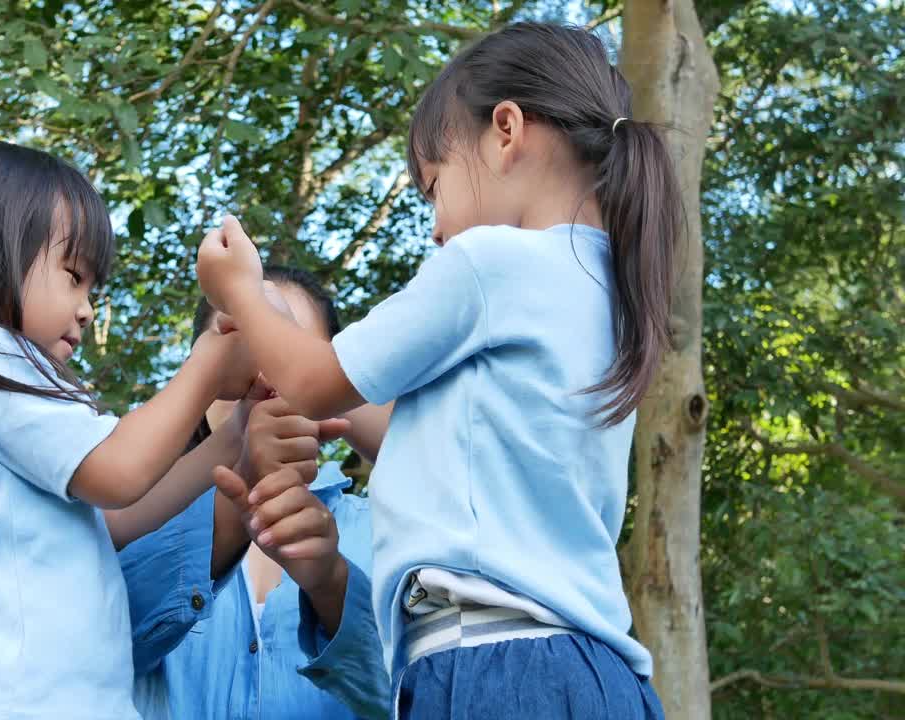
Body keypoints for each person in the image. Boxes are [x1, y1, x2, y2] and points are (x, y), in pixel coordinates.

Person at [196, 22, 678, 719]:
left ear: (506, 130)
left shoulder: (493, 264)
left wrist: (239, 290)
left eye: (434, 186)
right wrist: (325, 397)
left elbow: (314, 379)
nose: (435, 228)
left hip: (495, 668)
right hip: (589, 675)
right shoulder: (607, 295)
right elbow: (460, 450)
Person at [0, 139, 258, 720]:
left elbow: (114, 516)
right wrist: (211, 357)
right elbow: (120, 470)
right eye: (73, 277)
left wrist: (232, 437)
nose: (87, 309)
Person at [122, 267, 392, 720]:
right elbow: (89, 648)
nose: (264, 381)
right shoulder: (129, 520)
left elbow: (418, 694)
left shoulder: (387, 529)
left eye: (289, 353)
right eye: (240, 347)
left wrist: (331, 585)